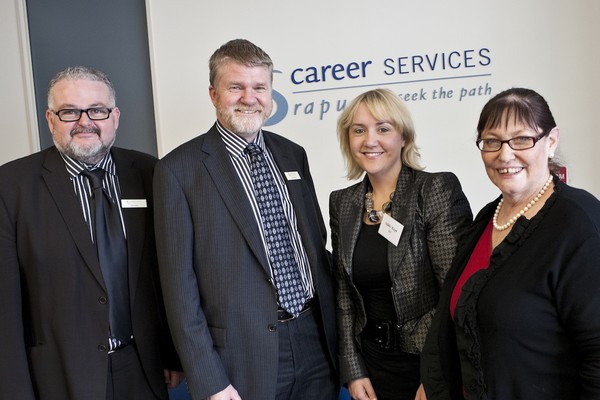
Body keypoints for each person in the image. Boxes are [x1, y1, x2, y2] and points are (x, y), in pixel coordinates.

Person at [153, 39, 338, 400]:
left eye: (259, 87)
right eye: (235, 86)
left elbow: (314, 244)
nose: (248, 98)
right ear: (213, 94)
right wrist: (209, 378)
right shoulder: (178, 170)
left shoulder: (292, 155)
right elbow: (178, 288)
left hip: (315, 341)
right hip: (241, 358)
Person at [0, 66, 182, 399]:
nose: (85, 121)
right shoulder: (11, 187)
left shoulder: (149, 172)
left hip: (142, 368)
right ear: (50, 119)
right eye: (69, 111)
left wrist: (170, 352)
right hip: (58, 376)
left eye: (96, 110)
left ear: (114, 117)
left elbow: (164, 273)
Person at [420, 87, 600, 399]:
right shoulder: (487, 217)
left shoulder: (579, 221)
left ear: (551, 141)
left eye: (521, 139)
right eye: (491, 141)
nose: (505, 155)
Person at [329, 88, 472, 400]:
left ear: (403, 137)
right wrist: (353, 370)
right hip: (373, 365)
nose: (370, 140)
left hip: (425, 361)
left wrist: (437, 374)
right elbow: (343, 295)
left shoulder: (434, 190)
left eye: (383, 128)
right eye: (358, 130)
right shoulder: (343, 203)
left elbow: (456, 292)